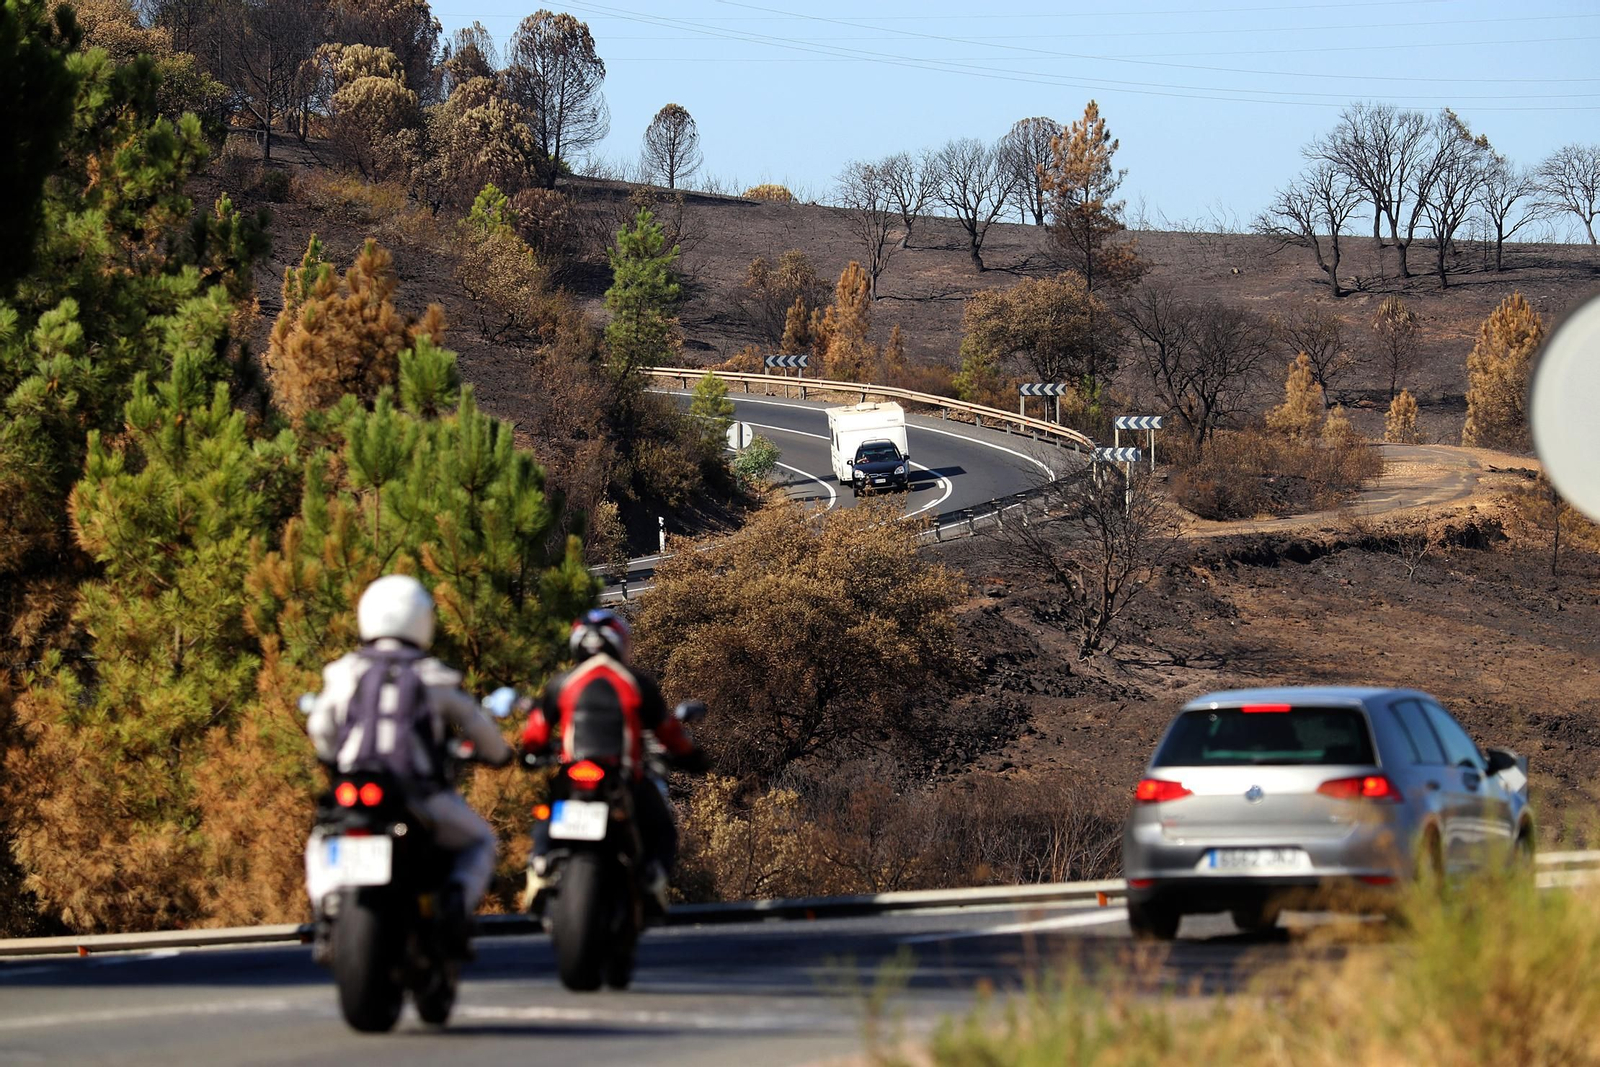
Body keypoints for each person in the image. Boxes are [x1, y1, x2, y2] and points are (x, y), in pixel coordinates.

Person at [306, 574, 512, 951]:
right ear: (422, 620)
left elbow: (320, 724)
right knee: (481, 840)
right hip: (417, 792)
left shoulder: (344, 671)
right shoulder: (431, 674)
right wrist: (499, 754)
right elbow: (477, 725)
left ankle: (328, 898)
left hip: (355, 787)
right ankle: (454, 902)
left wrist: (332, 758)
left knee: (321, 840)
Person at [521, 609, 707, 911]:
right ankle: (654, 879)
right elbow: (668, 731)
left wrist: (530, 753)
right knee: (663, 828)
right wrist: (691, 757)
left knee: (547, 811)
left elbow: (536, 730)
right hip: (620, 775)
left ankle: (539, 864)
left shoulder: (562, 683)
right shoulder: (635, 682)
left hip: (572, 773)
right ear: (620, 644)